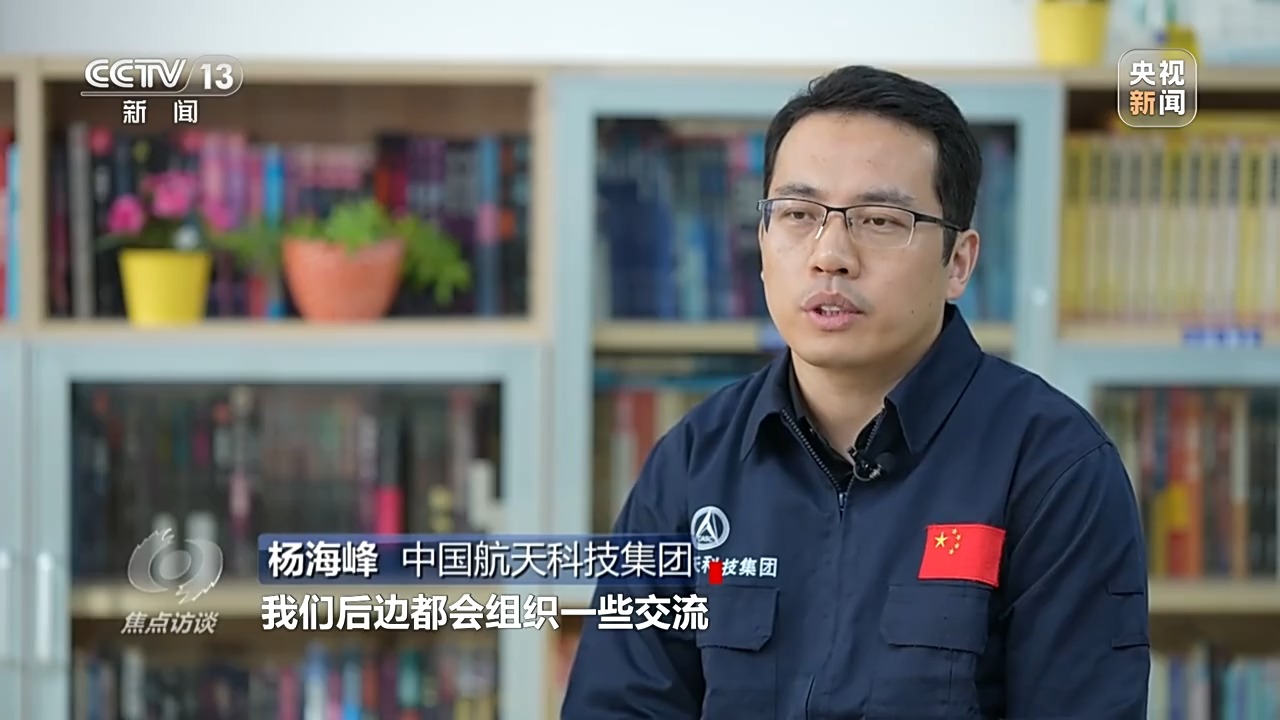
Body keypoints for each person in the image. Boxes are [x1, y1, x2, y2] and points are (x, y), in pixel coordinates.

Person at [561, 65, 1150, 719]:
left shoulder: (1054, 467)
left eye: (879, 220)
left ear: (958, 262)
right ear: (762, 243)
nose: (831, 255)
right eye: (798, 214)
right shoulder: (693, 462)